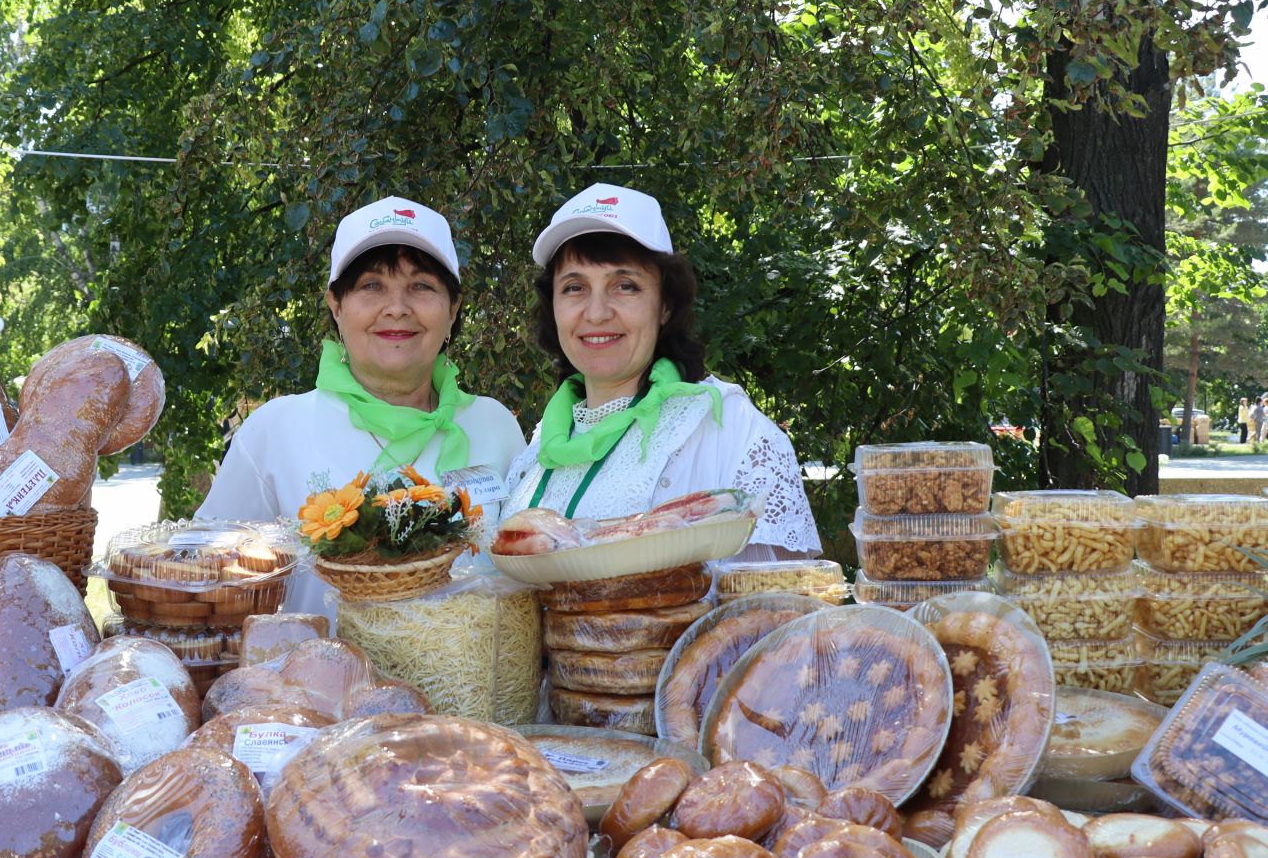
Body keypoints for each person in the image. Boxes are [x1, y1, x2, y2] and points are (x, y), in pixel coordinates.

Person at [199, 197, 525, 614]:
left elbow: (524, 572)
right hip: (322, 680)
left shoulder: (493, 424)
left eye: (421, 286)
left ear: (453, 309)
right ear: (336, 306)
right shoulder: (274, 432)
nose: (397, 308)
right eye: (372, 285)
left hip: (476, 680)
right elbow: (207, 579)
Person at [505, 184, 820, 559]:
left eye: (625, 286)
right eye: (574, 287)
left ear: (665, 306)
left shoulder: (730, 431)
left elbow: (774, 607)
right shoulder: (541, 445)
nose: (596, 312)